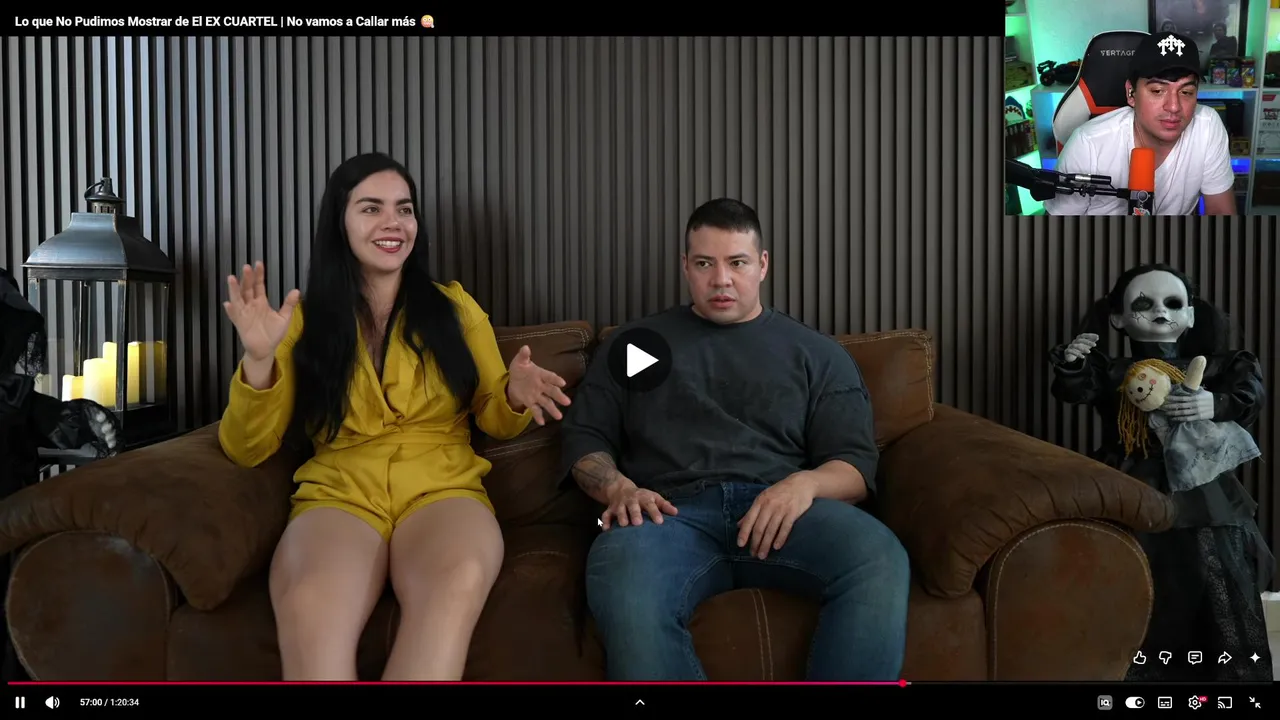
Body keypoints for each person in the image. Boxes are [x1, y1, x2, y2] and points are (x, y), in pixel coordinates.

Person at [217, 152, 571, 681]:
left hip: (444, 492)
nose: (393, 223)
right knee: (310, 605)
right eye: (371, 208)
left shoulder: (455, 308)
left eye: (404, 209)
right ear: (339, 222)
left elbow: (494, 417)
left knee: (455, 583)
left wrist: (515, 396)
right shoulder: (302, 322)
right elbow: (246, 448)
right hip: (339, 494)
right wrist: (260, 359)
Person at [558, 198, 911, 681]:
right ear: (685, 266)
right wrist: (618, 488)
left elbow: (853, 464)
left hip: (782, 513)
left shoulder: (814, 354)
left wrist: (803, 485)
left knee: (880, 557)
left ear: (762, 265)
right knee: (623, 578)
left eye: (737, 263)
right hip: (667, 517)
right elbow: (585, 435)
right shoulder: (640, 347)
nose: (721, 280)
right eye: (705, 263)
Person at [1048, 263, 1272, 682]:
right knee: (1133, 575)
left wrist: (1214, 404)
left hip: (1201, 487)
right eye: (1143, 304)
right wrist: (1073, 364)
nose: (1161, 312)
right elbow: (1073, 390)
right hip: (1129, 479)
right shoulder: (1110, 371)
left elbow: (1249, 396)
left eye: (1173, 303)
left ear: (1191, 315)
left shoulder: (1218, 366)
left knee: (1215, 574)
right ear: (1117, 318)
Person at [1043, 32, 1235, 216]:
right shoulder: (1088, 144)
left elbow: (1220, 210)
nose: (1174, 107)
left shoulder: (1207, 126)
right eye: (1157, 91)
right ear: (1131, 93)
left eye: (1186, 92)